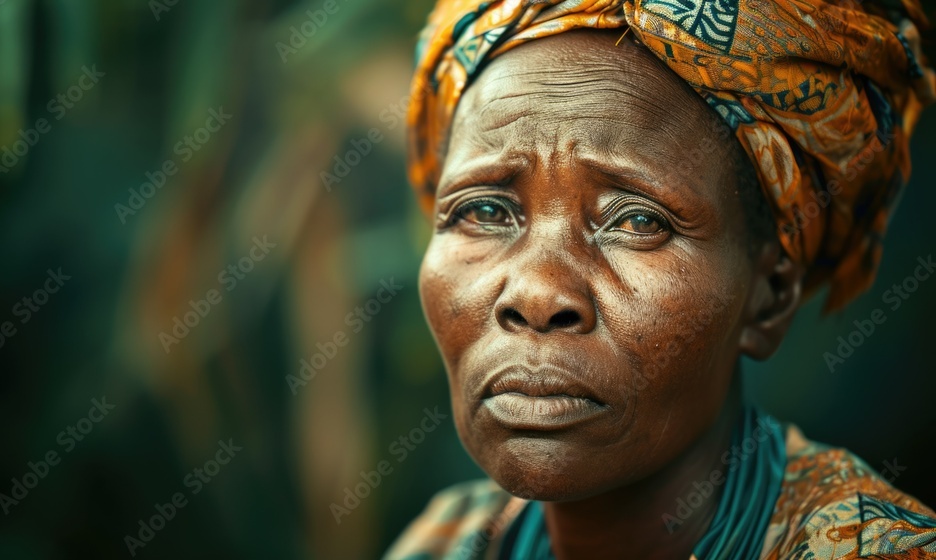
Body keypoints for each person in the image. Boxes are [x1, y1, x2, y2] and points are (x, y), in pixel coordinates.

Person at [384, 1, 936, 559]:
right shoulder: (447, 541)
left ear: (768, 298)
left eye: (638, 221)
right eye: (484, 211)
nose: (537, 295)